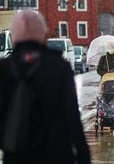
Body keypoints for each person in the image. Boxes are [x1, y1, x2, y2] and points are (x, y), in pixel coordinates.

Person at [0, 9, 91, 164]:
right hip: (56, 153)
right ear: (43, 33)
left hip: (16, 155)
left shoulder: (4, 68)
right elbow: (72, 117)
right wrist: (83, 155)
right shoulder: (59, 67)